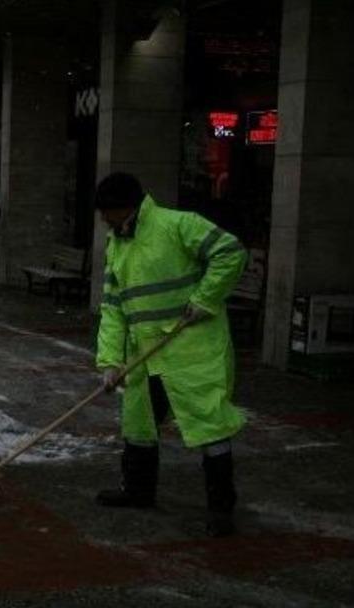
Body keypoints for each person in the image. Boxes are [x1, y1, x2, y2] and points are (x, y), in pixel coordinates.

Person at [94, 172, 247, 537]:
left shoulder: (178, 225)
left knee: (209, 423)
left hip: (192, 349)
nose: (102, 219)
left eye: (105, 212)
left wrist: (204, 299)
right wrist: (110, 361)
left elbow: (230, 252)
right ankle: (138, 490)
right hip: (145, 353)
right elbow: (113, 308)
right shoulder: (117, 244)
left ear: (124, 207)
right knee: (139, 423)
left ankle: (221, 508)